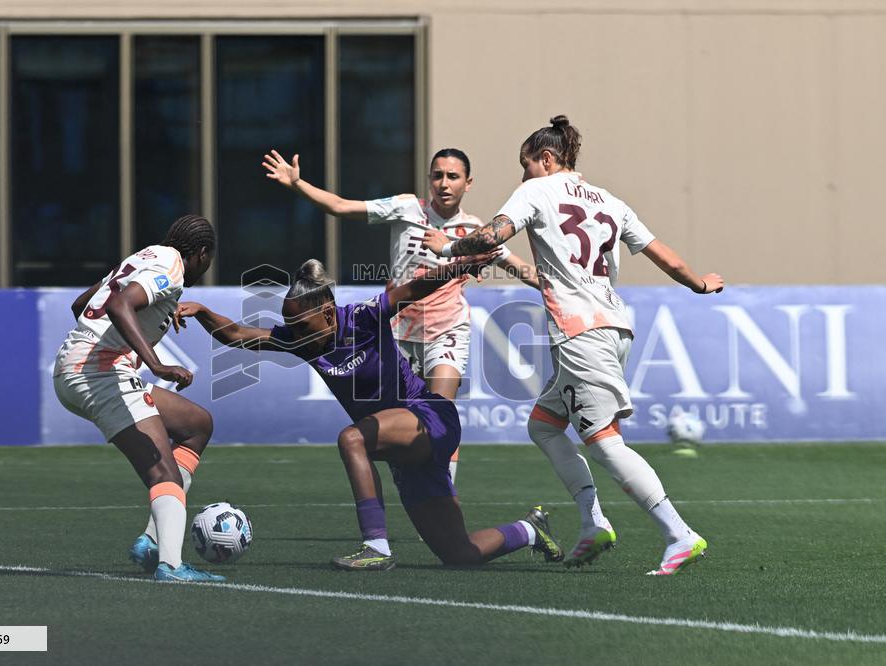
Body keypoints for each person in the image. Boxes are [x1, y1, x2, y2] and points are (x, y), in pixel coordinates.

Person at [421, 116, 725, 576]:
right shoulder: (609, 200)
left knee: (604, 442)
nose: (522, 177)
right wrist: (700, 283)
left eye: (526, 166)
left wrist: (447, 248)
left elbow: (490, 235)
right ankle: (593, 523)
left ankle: (678, 534)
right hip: (612, 326)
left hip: (582, 336)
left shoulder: (537, 191)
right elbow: (663, 253)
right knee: (543, 427)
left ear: (547, 159)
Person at [175, 257, 563, 571]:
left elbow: (416, 288)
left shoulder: (362, 317)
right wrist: (203, 310)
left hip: (430, 417)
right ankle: (530, 530)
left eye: (301, 324)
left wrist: (463, 264)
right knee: (460, 555)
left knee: (352, 438)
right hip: (402, 449)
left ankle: (376, 546)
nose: (294, 333)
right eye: (290, 326)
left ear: (328, 314)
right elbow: (236, 335)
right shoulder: (303, 341)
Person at [263, 148, 540, 483]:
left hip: (447, 331)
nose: (443, 183)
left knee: (440, 411)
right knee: (396, 424)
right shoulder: (407, 207)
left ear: (468, 183)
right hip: (396, 333)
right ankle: (415, 482)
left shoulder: (475, 231)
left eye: (453, 176)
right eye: (437, 175)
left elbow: (523, 269)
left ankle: (444, 492)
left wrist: (570, 289)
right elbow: (340, 206)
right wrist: (297, 184)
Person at [52, 215, 224, 583]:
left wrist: (153, 314)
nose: (206, 268)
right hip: (97, 372)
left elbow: (84, 304)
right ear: (202, 254)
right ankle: (172, 565)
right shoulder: (173, 266)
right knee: (163, 471)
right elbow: (119, 305)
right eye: (208, 261)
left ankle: (152, 541)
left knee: (196, 425)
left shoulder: (146, 255)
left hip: (82, 367)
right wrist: (157, 364)